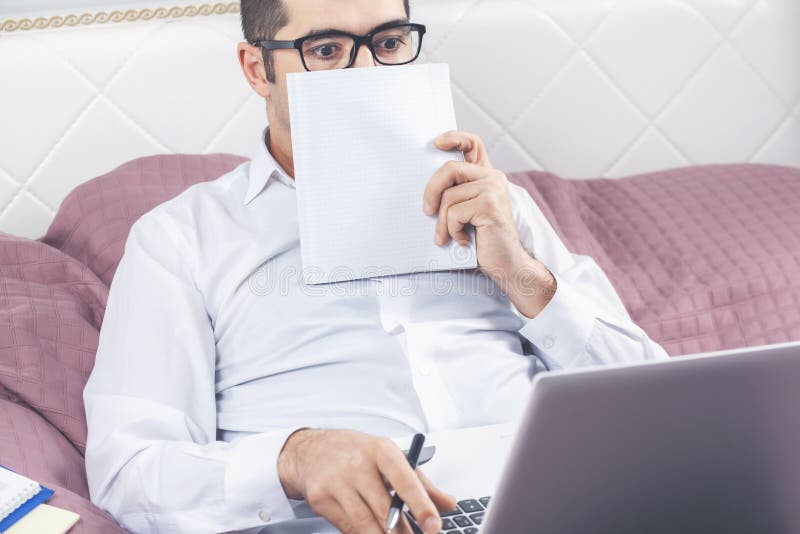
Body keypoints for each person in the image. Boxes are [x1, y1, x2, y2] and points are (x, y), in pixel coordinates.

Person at [83, 1, 668, 533]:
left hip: (558, 509)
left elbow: (661, 407)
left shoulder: (497, 205)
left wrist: (519, 272)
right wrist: (292, 457)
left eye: (388, 43)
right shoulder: (182, 238)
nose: (366, 74)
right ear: (258, 69)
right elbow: (130, 473)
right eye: (326, 50)